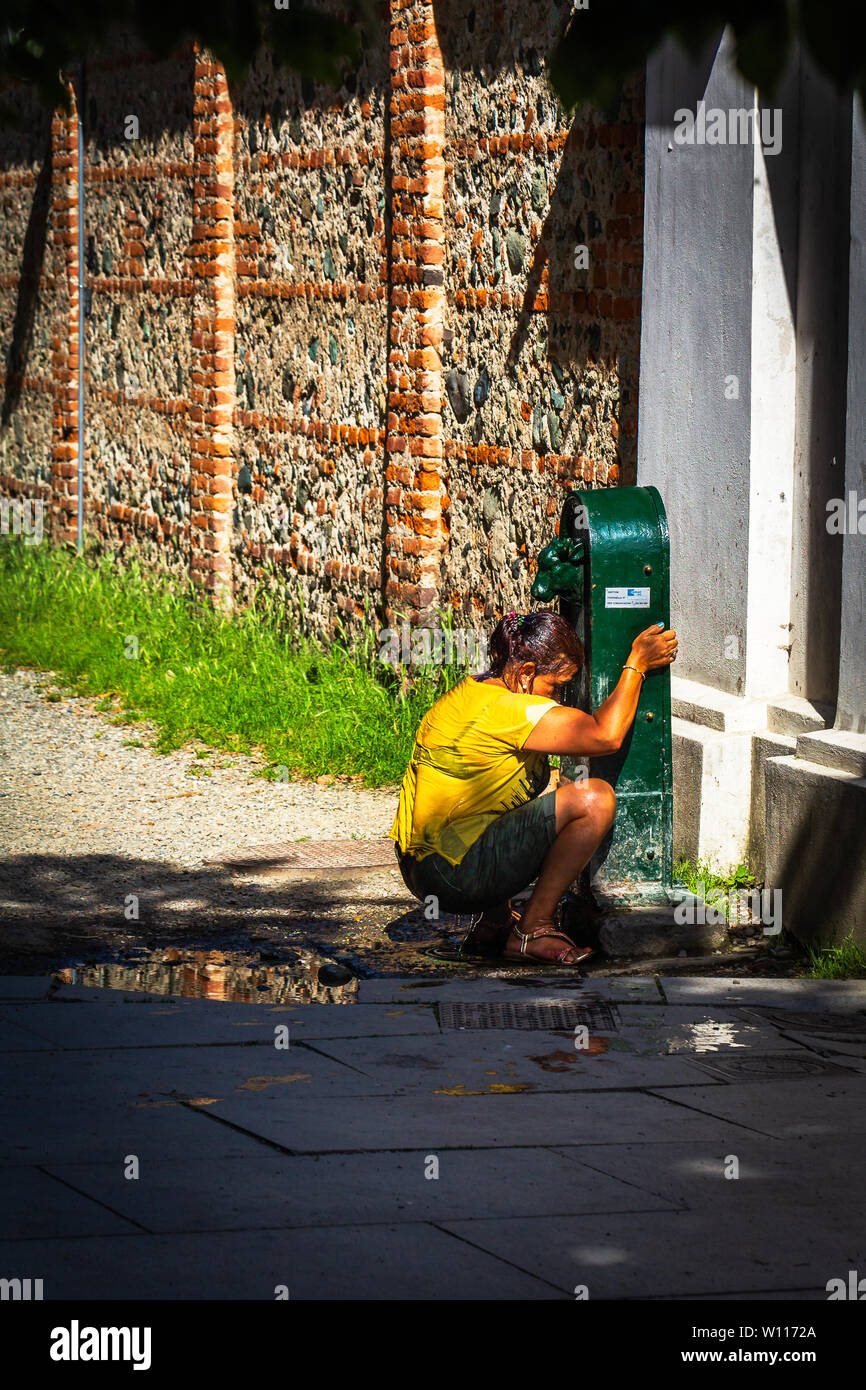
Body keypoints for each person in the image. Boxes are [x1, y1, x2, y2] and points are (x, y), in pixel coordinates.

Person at [390, 609, 678, 965]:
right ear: (525, 673)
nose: (558, 698)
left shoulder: (470, 691)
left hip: (420, 869)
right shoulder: (514, 711)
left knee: (494, 807)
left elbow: (486, 802)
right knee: (594, 798)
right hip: (453, 875)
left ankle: (495, 923)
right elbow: (606, 736)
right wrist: (636, 664)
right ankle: (533, 930)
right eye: (556, 686)